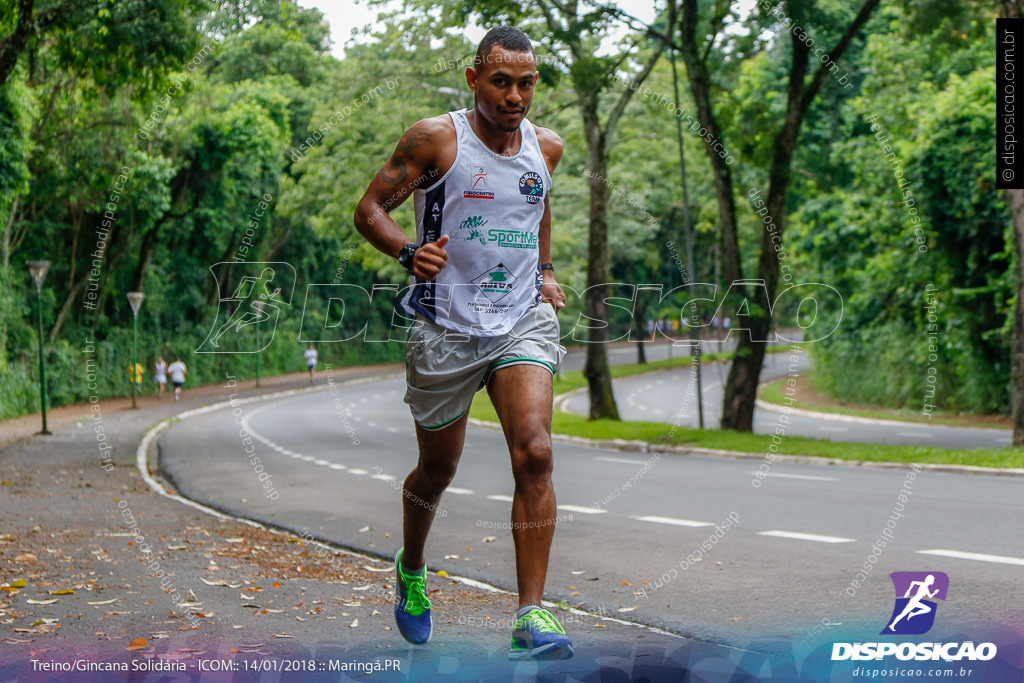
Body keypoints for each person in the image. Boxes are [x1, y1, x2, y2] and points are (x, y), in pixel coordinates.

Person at [354, 26, 572, 660]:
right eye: (500, 82)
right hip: (445, 327)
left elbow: (537, 207)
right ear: (475, 79)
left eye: (526, 83)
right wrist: (407, 250)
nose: (514, 96)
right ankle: (413, 568)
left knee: (534, 451)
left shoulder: (547, 148)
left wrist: (548, 270)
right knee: (438, 470)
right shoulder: (435, 140)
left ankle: (531, 614)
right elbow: (370, 208)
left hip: (521, 319)